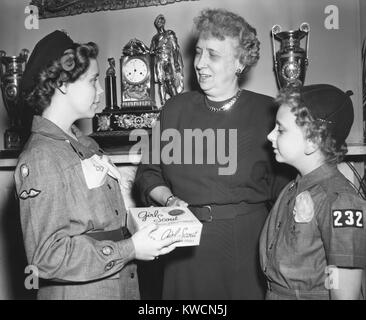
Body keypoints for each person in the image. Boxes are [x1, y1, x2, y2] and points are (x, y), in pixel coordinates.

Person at [134, 9, 293, 299]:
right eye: (198, 53)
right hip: (185, 247)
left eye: (213, 55)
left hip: (248, 248)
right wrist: (169, 200)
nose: (200, 63)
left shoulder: (268, 112)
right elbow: (148, 173)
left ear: (240, 63)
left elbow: (284, 193)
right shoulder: (175, 110)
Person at [14, 30, 178, 300]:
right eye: (93, 81)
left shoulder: (85, 144)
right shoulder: (41, 157)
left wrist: (153, 225)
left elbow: (105, 222)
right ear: (63, 84)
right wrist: (130, 249)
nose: (101, 90)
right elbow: (45, 257)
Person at [260, 83, 366, 300]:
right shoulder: (293, 187)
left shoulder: (340, 201)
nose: (270, 136)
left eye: (280, 129)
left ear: (312, 140)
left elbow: (345, 297)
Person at [150, 14, 184, 105]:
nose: (160, 23)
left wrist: (176, 62)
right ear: (156, 24)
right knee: (161, 82)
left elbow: (175, 48)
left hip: (169, 60)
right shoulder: (155, 38)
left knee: (171, 81)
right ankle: (163, 103)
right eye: (158, 22)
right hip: (159, 61)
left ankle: (176, 100)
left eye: (161, 21)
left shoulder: (169, 33)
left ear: (164, 22)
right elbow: (151, 52)